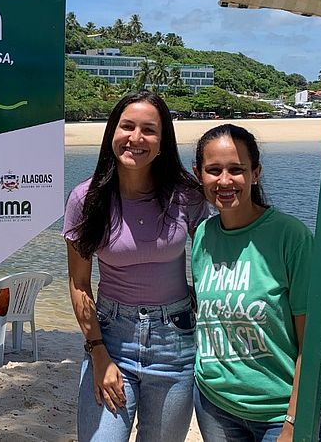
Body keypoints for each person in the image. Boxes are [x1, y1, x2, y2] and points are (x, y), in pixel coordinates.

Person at [64, 91, 209, 442]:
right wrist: (98, 351)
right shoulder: (86, 199)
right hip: (111, 337)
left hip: (175, 344)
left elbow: (213, 263)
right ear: (112, 132)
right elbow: (79, 283)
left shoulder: (186, 195)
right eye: (127, 126)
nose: (136, 138)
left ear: (163, 141)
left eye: (149, 130)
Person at [191, 124, 321, 442]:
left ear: (255, 173)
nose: (224, 181)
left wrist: (293, 422)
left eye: (236, 170)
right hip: (215, 405)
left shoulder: (290, 237)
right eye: (214, 170)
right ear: (199, 174)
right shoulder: (203, 236)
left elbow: (312, 343)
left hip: (279, 412)